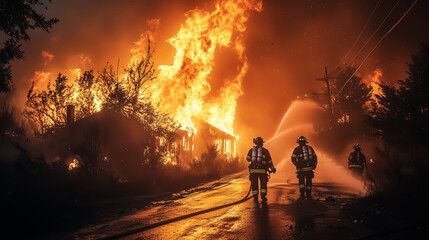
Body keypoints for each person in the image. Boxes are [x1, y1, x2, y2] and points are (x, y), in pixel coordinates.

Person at [246, 137, 276, 202]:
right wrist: (273, 169)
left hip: (253, 171)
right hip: (263, 171)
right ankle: (263, 196)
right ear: (262, 143)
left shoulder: (251, 150)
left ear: (255, 143)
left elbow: (248, 159)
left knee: (254, 184)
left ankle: (255, 196)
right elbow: (269, 162)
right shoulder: (265, 151)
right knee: (263, 183)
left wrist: (253, 158)